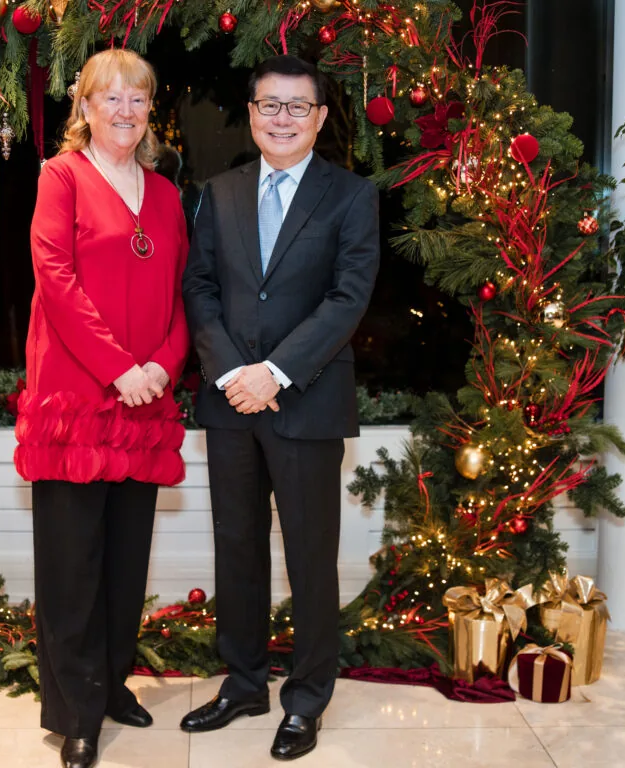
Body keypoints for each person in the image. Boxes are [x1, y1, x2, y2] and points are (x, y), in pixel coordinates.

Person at [180, 54, 380, 761]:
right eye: (271, 105)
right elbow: (199, 286)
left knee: (309, 556)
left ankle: (306, 699)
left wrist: (275, 372)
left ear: (320, 118)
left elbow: (347, 298)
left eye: (299, 106)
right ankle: (242, 684)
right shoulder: (219, 192)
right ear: (252, 112)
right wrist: (233, 370)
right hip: (231, 401)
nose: (283, 118)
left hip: (307, 402)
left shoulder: (351, 195)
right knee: (236, 549)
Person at [15, 48, 189, 768]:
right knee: (72, 567)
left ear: (150, 110)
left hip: (144, 402)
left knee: (124, 561)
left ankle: (113, 685)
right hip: (77, 400)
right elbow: (54, 279)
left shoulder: (168, 194)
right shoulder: (61, 177)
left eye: (137, 98)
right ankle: (76, 713)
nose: (125, 110)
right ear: (84, 107)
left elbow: (183, 294)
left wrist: (163, 366)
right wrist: (120, 369)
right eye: (109, 97)